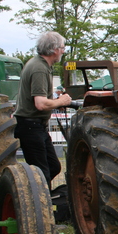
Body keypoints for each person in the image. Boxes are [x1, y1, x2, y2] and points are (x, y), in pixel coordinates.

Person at [14, 32, 72, 188]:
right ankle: (37, 206)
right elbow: (40, 104)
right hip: (30, 127)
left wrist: (56, 102)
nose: (63, 51)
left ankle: (37, 198)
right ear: (53, 49)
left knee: (54, 167)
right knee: (41, 175)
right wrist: (61, 101)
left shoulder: (41, 65)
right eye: (62, 47)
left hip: (37, 126)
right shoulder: (39, 68)